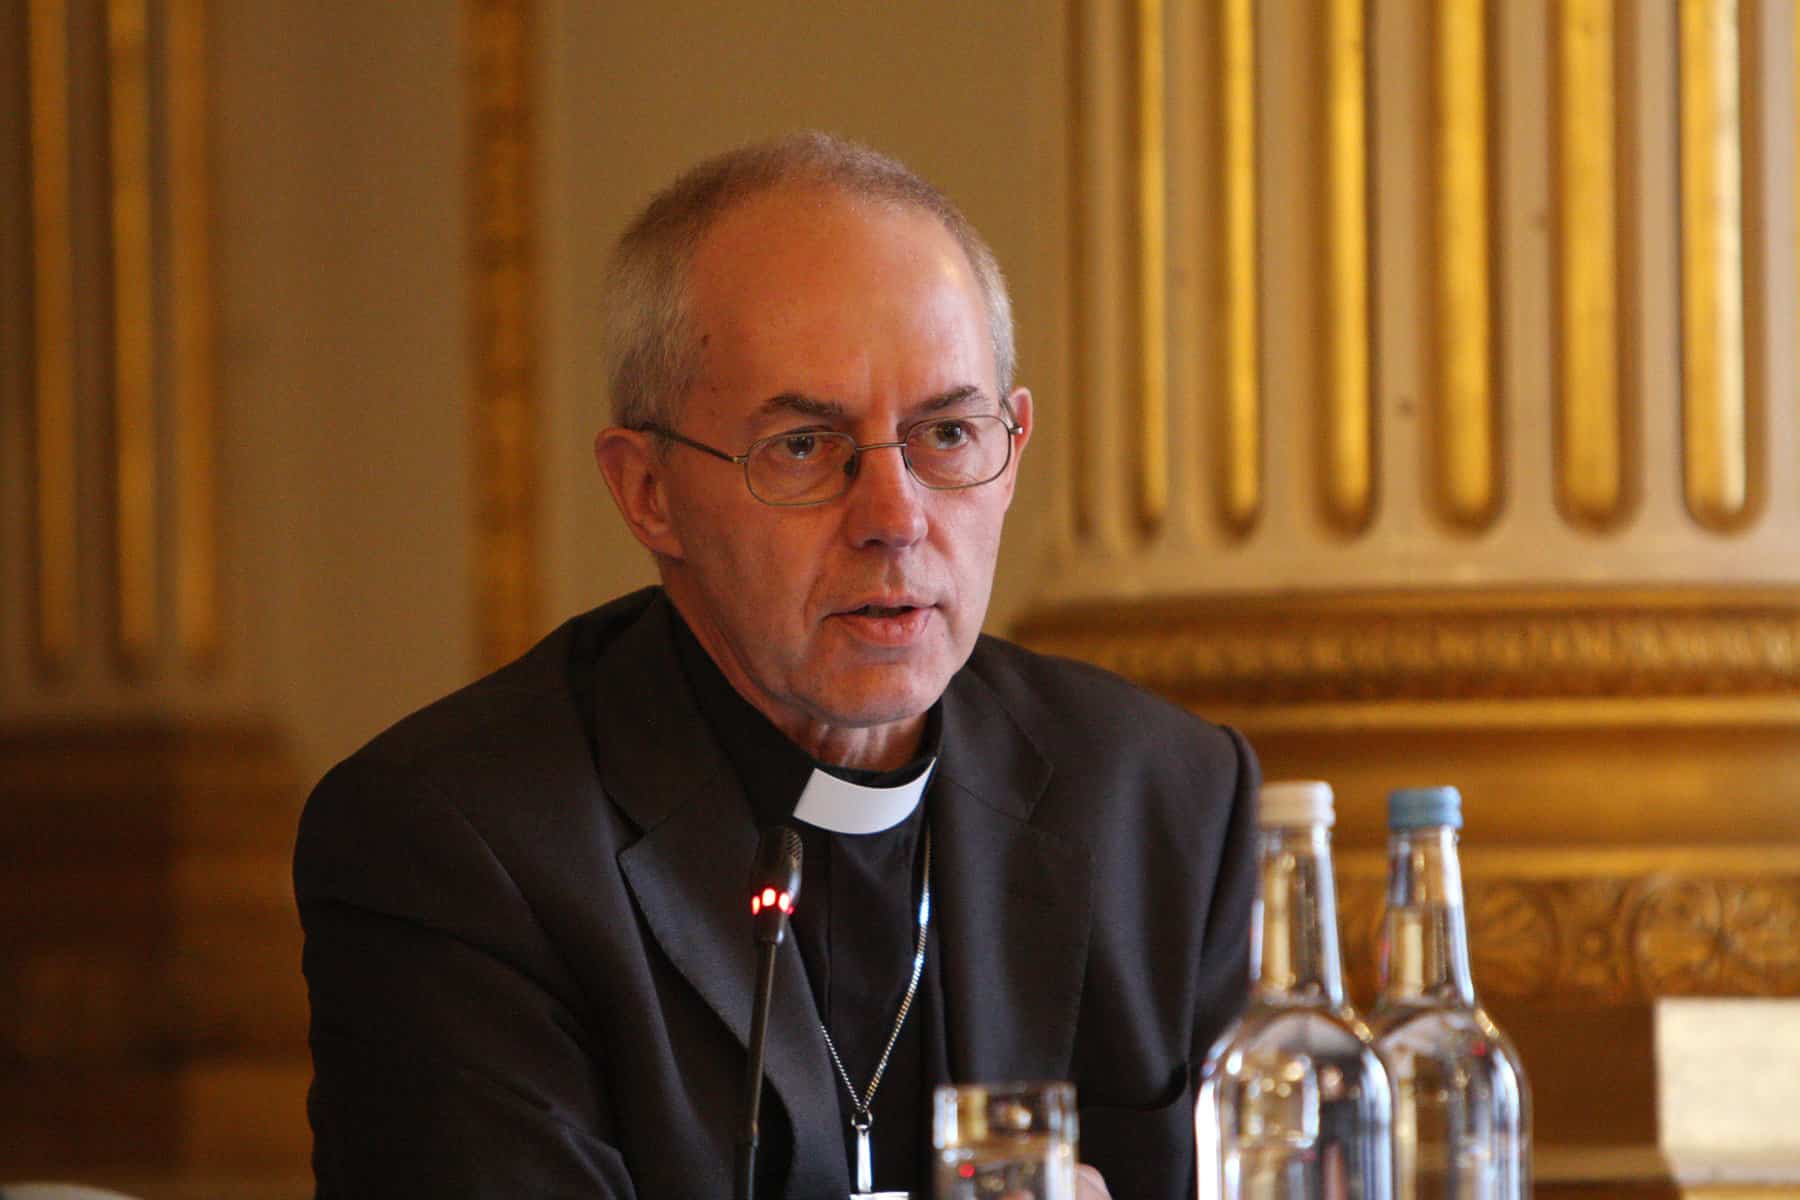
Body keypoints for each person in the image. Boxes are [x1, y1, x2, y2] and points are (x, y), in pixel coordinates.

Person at [295, 131, 1257, 1199]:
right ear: (648, 492)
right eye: (803, 447)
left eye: (947, 434)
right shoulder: (459, 851)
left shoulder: (1166, 804)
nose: (895, 517)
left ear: (1014, 448)